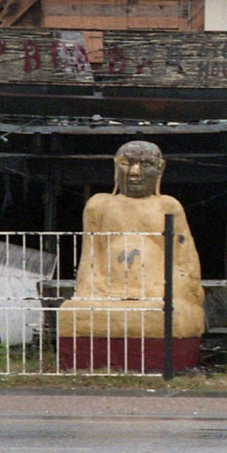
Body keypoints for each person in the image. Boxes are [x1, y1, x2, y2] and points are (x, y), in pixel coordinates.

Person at [58, 141, 205, 338]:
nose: (134, 172)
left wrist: (174, 291)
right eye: (127, 163)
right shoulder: (99, 205)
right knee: (75, 310)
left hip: (157, 289)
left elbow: (185, 262)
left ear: (160, 168)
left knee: (173, 312)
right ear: (115, 166)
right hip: (106, 290)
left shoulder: (168, 206)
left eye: (145, 164)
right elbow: (90, 258)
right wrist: (87, 292)